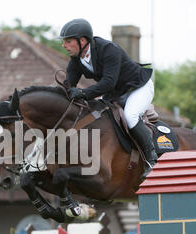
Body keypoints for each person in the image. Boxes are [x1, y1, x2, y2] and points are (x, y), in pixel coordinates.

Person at [59, 18, 157, 178]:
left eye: (68, 41)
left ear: (82, 40)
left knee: (131, 116)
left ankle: (151, 161)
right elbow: (69, 83)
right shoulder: (77, 59)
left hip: (137, 87)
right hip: (116, 92)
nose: (64, 45)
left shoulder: (108, 49)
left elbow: (108, 82)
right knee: (97, 117)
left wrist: (83, 93)